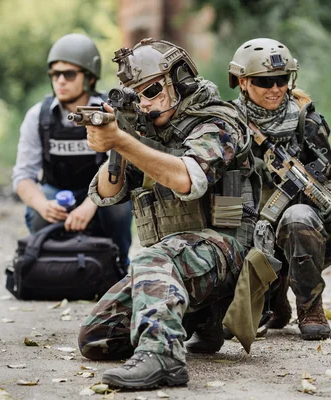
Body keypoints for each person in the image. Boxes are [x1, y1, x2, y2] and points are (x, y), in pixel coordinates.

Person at [77, 38, 262, 390]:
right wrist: (117, 142)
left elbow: (187, 178)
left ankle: (163, 357)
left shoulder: (217, 122)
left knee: (151, 258)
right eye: (135, 97)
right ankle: (195, 318)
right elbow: (106, 193)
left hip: (229, 250)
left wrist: (122, 141)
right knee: (97, 338)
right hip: (177, 264)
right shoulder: (145, 134)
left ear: (179, 79)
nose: (144, 105)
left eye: (151, 91)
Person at [228, 38, 331, 340]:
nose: (275, 89)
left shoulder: (306, 122)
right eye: (265, 81)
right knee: (231, 328)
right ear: (242, 81)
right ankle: (272, 299)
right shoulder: (227, 123)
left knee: (299, 217)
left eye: (282, 80)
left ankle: (310, 304)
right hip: (242, 224)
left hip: (296, 232)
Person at [12, 33, 132, 266]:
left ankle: (119, 267)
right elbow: (23, 176)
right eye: (55, 74)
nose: (60, 81)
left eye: (69, 74)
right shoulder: (38, 116)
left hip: (102, 195)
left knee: (119, 205)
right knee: (38, 207)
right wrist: (43, 206)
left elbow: (121, 169)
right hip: (56, 193)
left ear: (90, 78)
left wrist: (90, 204)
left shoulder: (110, 113)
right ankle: (48, 266)